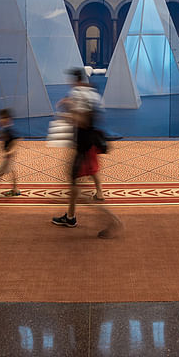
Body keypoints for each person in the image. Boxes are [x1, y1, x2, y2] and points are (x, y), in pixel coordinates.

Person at [52, 69, 121, 236]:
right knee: (75, 185)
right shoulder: (91, 94)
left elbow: (83, 121)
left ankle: (112, 221)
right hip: (87, 146)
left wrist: (67, 115)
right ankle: (70, 217)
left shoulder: (78, 94)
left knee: (78, 189)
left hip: (83, 149)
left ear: (75, 80)